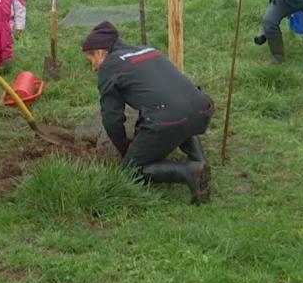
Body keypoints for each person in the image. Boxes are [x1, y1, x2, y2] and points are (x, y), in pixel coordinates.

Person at [82, 21, 213, 204]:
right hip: (202, 108)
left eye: (91, 61)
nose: (94, 68)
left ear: (100, 52)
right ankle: (200, 160)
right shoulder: (148, 50)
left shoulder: (109, 66)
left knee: (131, 171)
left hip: (168, 119)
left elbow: (112, 119)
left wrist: (126, 150)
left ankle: (189, 172)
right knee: (178, 114)